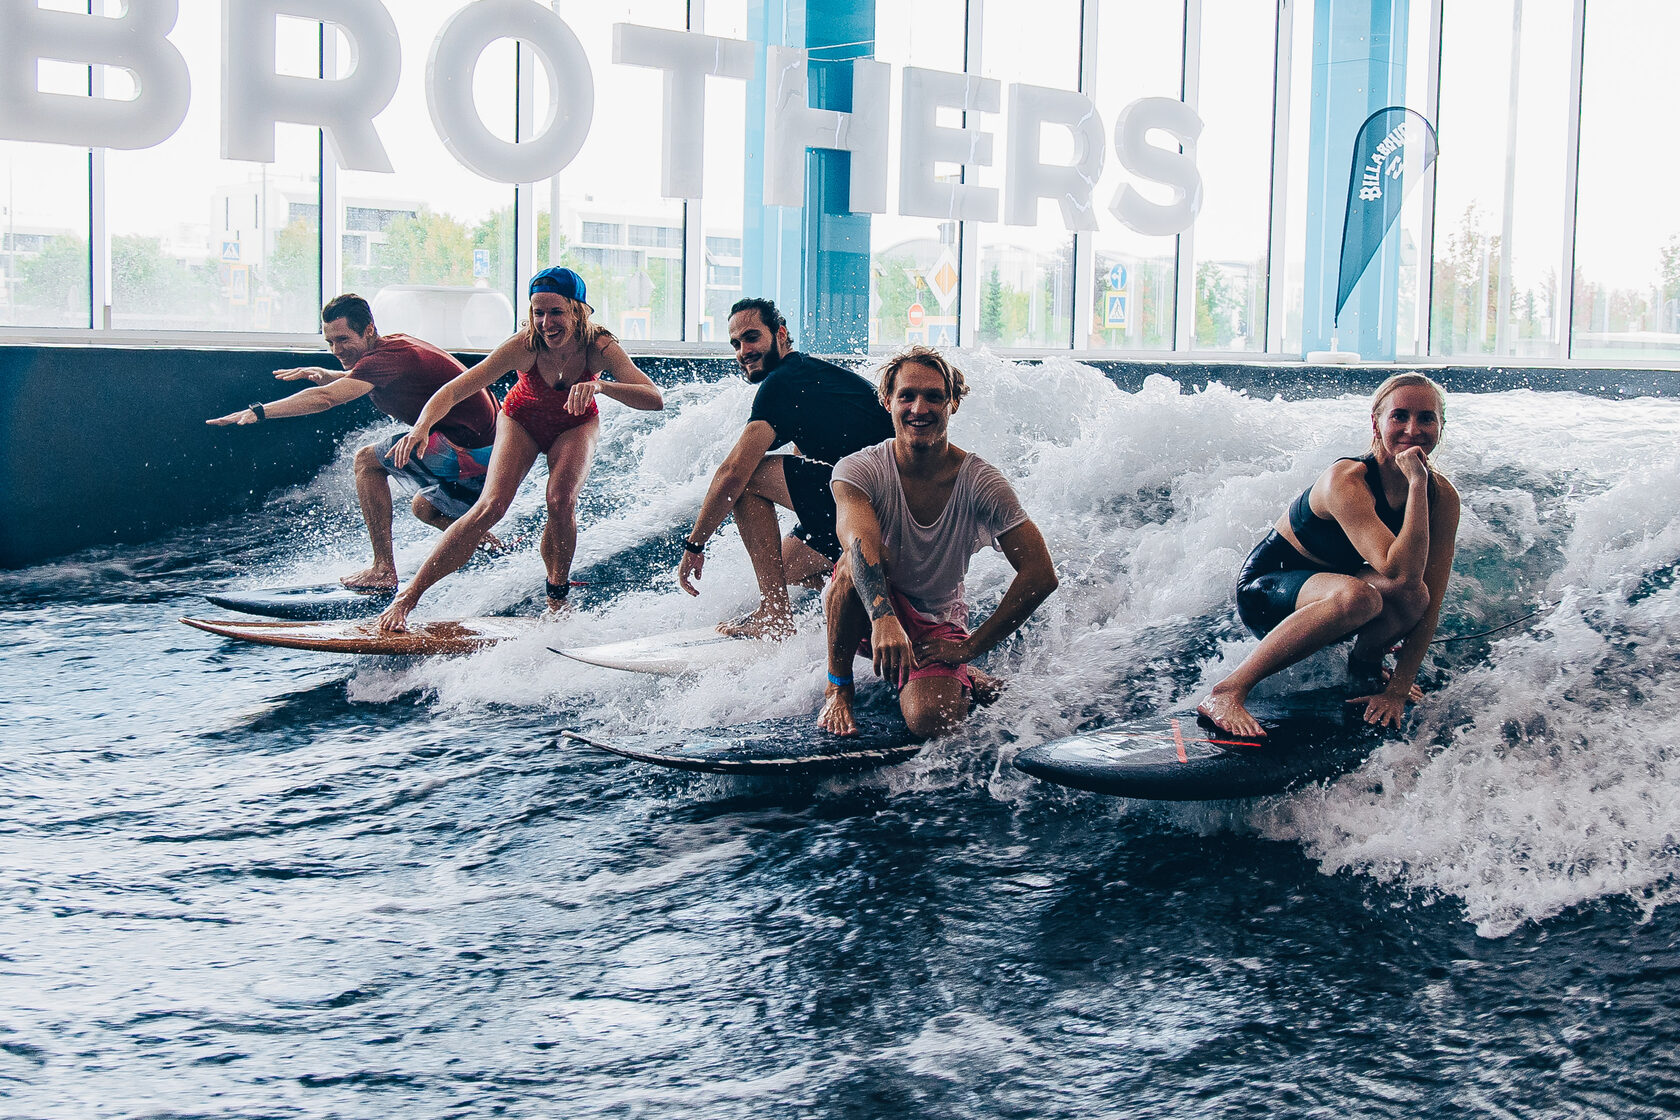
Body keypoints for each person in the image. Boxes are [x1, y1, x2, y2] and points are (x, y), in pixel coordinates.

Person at [375, 267, 664, 632]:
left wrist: (603, 388)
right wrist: (422, 427)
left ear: (578, 310)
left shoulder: (600, 347)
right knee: (489, 508)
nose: (546, 322)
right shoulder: (523, 345)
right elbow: (454, 389)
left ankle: (557, 598)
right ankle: (407, 599)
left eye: (555, 312)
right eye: (538, 312)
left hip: (574, 424)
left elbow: (654, 398)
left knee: (561, 501)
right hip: (520, 420)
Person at [1197, 372, 1462, 737]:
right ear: (1377, 422)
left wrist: (1398, 689)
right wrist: (1417, 483)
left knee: (1415, 595)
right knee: (1360, 597)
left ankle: (1365, 669)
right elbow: (1397, 570)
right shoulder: (1347, 479)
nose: (1412, 429)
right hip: (1268, 593)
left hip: (1335, 596)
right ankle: (1227, 691)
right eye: (1399, 416)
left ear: (1441, 426)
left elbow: (1426, 597)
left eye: (1426, 418)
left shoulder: (1443, 496)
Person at [817, 347, 1058, 741]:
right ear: (887, 401)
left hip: (935, 626)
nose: (919, 408)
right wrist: (884, 618)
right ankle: (838, 688)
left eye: (934, 396)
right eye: (907, 396)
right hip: (867, 611)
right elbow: (857, 543)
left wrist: (970, 648)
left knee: (934, 721)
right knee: (849, 566)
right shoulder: (858, 469)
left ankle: (960, 672)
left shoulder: (981, 483)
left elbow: (1041, 574)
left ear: (954, 403)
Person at [206, 293, 500, 591]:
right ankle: (492, 550)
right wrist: (330, 375)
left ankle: (383, 570)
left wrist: (260, 412)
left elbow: (326, 399)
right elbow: (362, 376)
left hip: (472, 450)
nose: (336, 349)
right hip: (490, 447)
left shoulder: (387, 358)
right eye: (330, 342)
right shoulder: (391, 347)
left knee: (366, 462)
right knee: (426, 509)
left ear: (369, 330)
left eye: (343, 339)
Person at [676, 297, 894, 639]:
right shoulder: (806, 375)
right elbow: (806, 456)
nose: (742, 351)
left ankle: (775, 615)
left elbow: (733, 472)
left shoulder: (783, 380)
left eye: (751, 337)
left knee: (748, 480)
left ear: (780, 333)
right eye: (735, 343)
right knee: (788, 566)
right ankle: (862, 602)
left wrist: (694, 546)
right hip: (879, 513)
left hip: (877, 509)